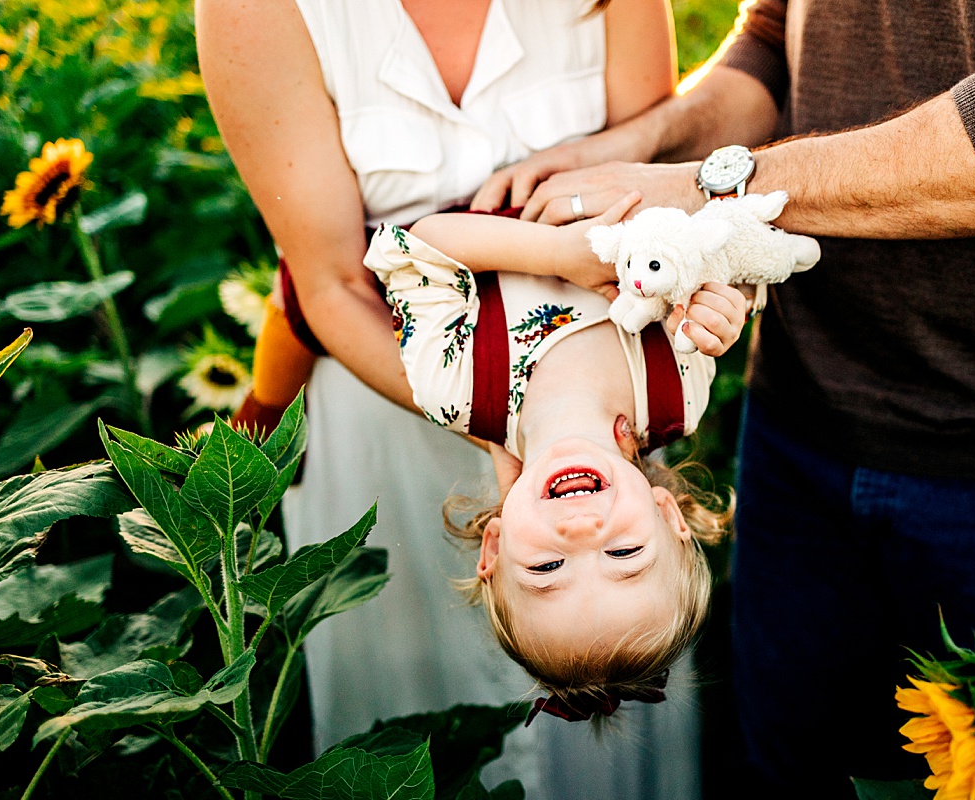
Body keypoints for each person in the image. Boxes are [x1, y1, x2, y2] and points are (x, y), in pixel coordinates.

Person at [474, 0, 975, 794]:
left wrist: (711, 189)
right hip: (799, 429)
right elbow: (779, 42)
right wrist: (645, 144)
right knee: (791, 773)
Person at [195, 1, 713, 796]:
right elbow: (330, 280)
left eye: (552, 556)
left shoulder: (630, 478)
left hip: (596, 422)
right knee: (409, 730)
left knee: (601, 699)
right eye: (616, 551)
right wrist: (490, 413)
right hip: (387, 404)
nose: (582, 533)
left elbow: (653, 187)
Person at [362, 200, 754, 718]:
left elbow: (416, 247)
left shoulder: (457, 390)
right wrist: (720, 306)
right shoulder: (677, 395)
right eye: (624, 554)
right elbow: (715, 244)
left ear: (495, 547)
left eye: (547, 567)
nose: (583, 530)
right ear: (667, 514)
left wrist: (560, 252)